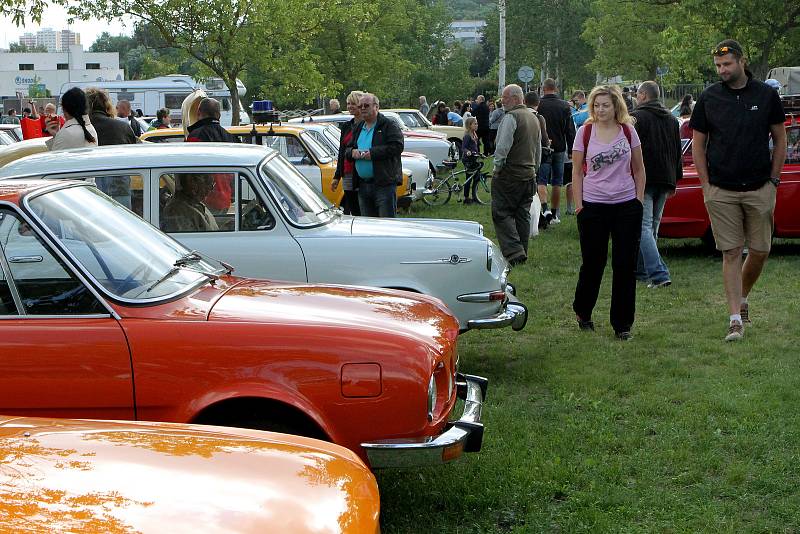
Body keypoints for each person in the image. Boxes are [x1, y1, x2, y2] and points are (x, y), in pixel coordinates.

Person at [690, 39, 786, 342]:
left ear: (742, 61)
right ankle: (734, 319)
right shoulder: (709, 98)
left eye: (727, 64)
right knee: (731, 252)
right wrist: (706, 186)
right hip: (721, 190)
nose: (722, 70)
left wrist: (773, 180)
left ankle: (742, 296)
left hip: (760, 187)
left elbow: (780, 140)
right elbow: (698, 145)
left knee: (760, 250)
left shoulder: (767, 95)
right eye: (718, 66)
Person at [571, 85, 645, 341]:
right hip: (593, 206)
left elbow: (639, 168)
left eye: (606, 105)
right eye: (597, 105)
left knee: (625, 265)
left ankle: (622, 324)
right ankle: (583, 312)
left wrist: (638, 200)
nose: (601, 110)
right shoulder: (584, 132)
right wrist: (579, 205)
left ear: (616, 106)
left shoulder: (628, 131)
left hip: (626, 205)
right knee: (593, 263)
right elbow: (577, 171)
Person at [631, 80, 682, 289]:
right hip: (666, 177)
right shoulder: (671, 118)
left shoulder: (637, 118)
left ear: (643, 95)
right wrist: (675, 179)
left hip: (645, 177)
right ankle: (642, 271)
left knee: (642, 227)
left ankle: (658, 274)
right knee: (652, 228)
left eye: (637, 94)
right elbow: (676, 150)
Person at [492, 84, 541, 265]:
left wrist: (497, 168)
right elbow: (537, 150)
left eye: (504, 98)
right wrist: (534, 170)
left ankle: (514, 251)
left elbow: (502, 147)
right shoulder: (533, 117)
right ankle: (522, 250)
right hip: (529, 175)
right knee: (522, 214)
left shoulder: (511, 117)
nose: (502, 101)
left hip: (510, 175)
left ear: (514, 98)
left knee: (501, 213)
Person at [346, 92, 404, 217]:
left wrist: (372, 153)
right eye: (360, 106)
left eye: (366, 106)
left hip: (383, 185)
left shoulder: (389, 125)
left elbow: (397, 147)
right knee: (368, 228)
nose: (362, 109)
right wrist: (352, 152)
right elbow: (347, 149)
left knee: (385, 225)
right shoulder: (359, 127)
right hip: (362, 185)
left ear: (376, 107)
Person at [186, 97, 238, 215]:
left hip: (204, 199)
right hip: (225, 198)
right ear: (219, 115)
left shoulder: (195, 136)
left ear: (199, 113)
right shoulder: (230, 137)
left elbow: (190, 171)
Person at [537, 78, 576, 224]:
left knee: (541, 179)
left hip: (543, 147)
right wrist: (571, 149)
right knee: (557, 182)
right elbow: (570, 130)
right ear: (556, 89)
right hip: (560, 147)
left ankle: (544, 208)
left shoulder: (539, 105)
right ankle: (555, 213)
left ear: (543, 88)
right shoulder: (564, 106)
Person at [332, 90, 364, 215]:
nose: (350, 106)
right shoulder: (346, 126)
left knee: (362, 207)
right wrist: (337, 176)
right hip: (347, 172)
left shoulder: (366, 126)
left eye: (353, 104)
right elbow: (342, 152)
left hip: (360, 173)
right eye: (348, 103)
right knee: (352, 206)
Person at [524, 91, 553, 229]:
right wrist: (548, 143)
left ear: (524, 101)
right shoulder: (539, 117)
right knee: (538, 184)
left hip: (522, 157)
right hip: (537, 156)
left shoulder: (519, 116)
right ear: (538, 103)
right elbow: (544, 138)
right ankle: (541, 216)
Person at [461, 116, 481, 204]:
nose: (477, 125)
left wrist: (480, 154)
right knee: (469, 178)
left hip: (474, 159)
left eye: (477, 123)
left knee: (476, 178)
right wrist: (467, 151)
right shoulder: (467, 136)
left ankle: (474, 196)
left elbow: (475, 148)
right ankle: (466, 197)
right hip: (468, 160)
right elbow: (463, 147)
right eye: (475, 124)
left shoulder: (474, 135)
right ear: (469, 125)